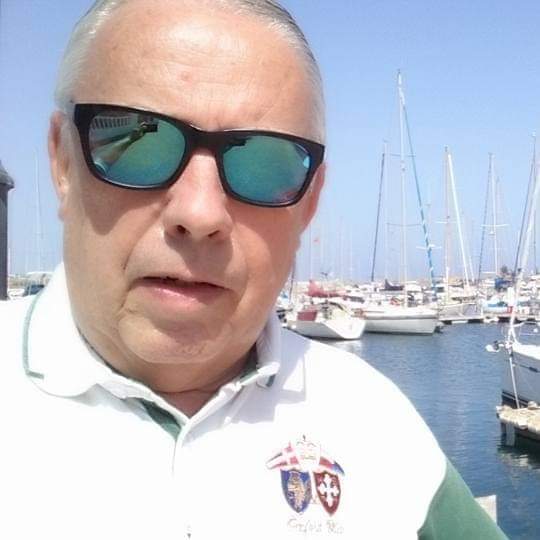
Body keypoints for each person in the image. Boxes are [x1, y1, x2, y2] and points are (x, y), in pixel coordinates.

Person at [1, 1, 507, 538]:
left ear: (309, 204)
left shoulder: (375, 422)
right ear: (62, 162)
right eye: (140, 142)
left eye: (265, 164)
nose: (200, 214)